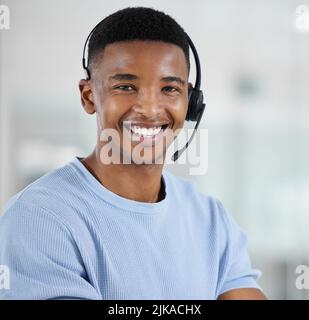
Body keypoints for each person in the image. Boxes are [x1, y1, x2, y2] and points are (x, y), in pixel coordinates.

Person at [0, 7, 266, 300]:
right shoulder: (40, 218)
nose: (150, 110)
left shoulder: (211, 219)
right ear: (89, 96)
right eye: (126, 86)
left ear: (190, 103)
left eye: (169, 88)